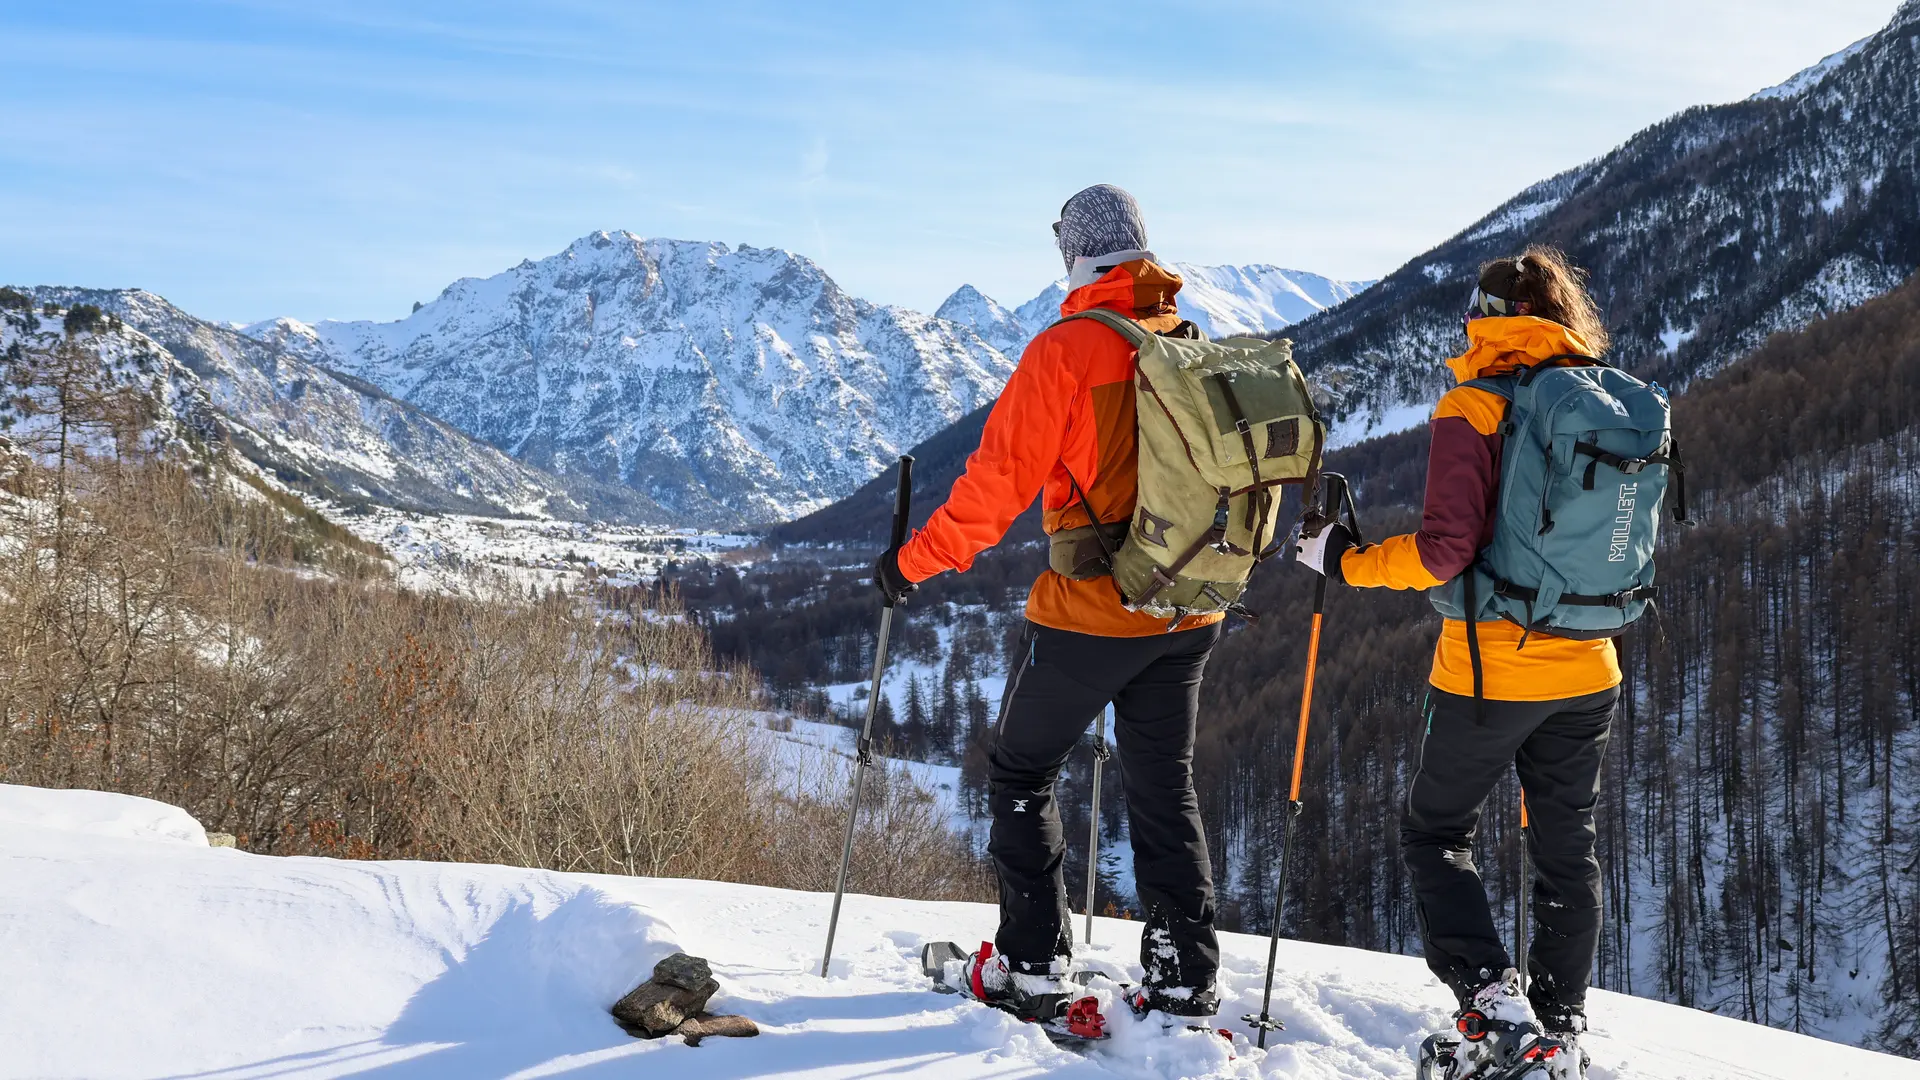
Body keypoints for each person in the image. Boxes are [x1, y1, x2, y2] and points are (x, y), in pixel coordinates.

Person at [873, 184, 1224, 1019]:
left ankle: (1030, 963)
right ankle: (1184, 974)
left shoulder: (1068, 349)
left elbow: (993, 494)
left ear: (1074, 254)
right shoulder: (1187, 338)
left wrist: (911, 564)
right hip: (1189, 610)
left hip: (1094, 614)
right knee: (1163, 785)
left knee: (1023, 770)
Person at [1294, 247, 1616, 1077]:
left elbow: (1442, 553)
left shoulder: (1473, 404)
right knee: (1566, 850)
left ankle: (1493, 1004)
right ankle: (1558, 1023)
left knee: (1435, 833)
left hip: (1489, 673)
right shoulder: (1603, 399)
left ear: (1485, 318)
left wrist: (1344, 561)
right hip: (1590, 669)